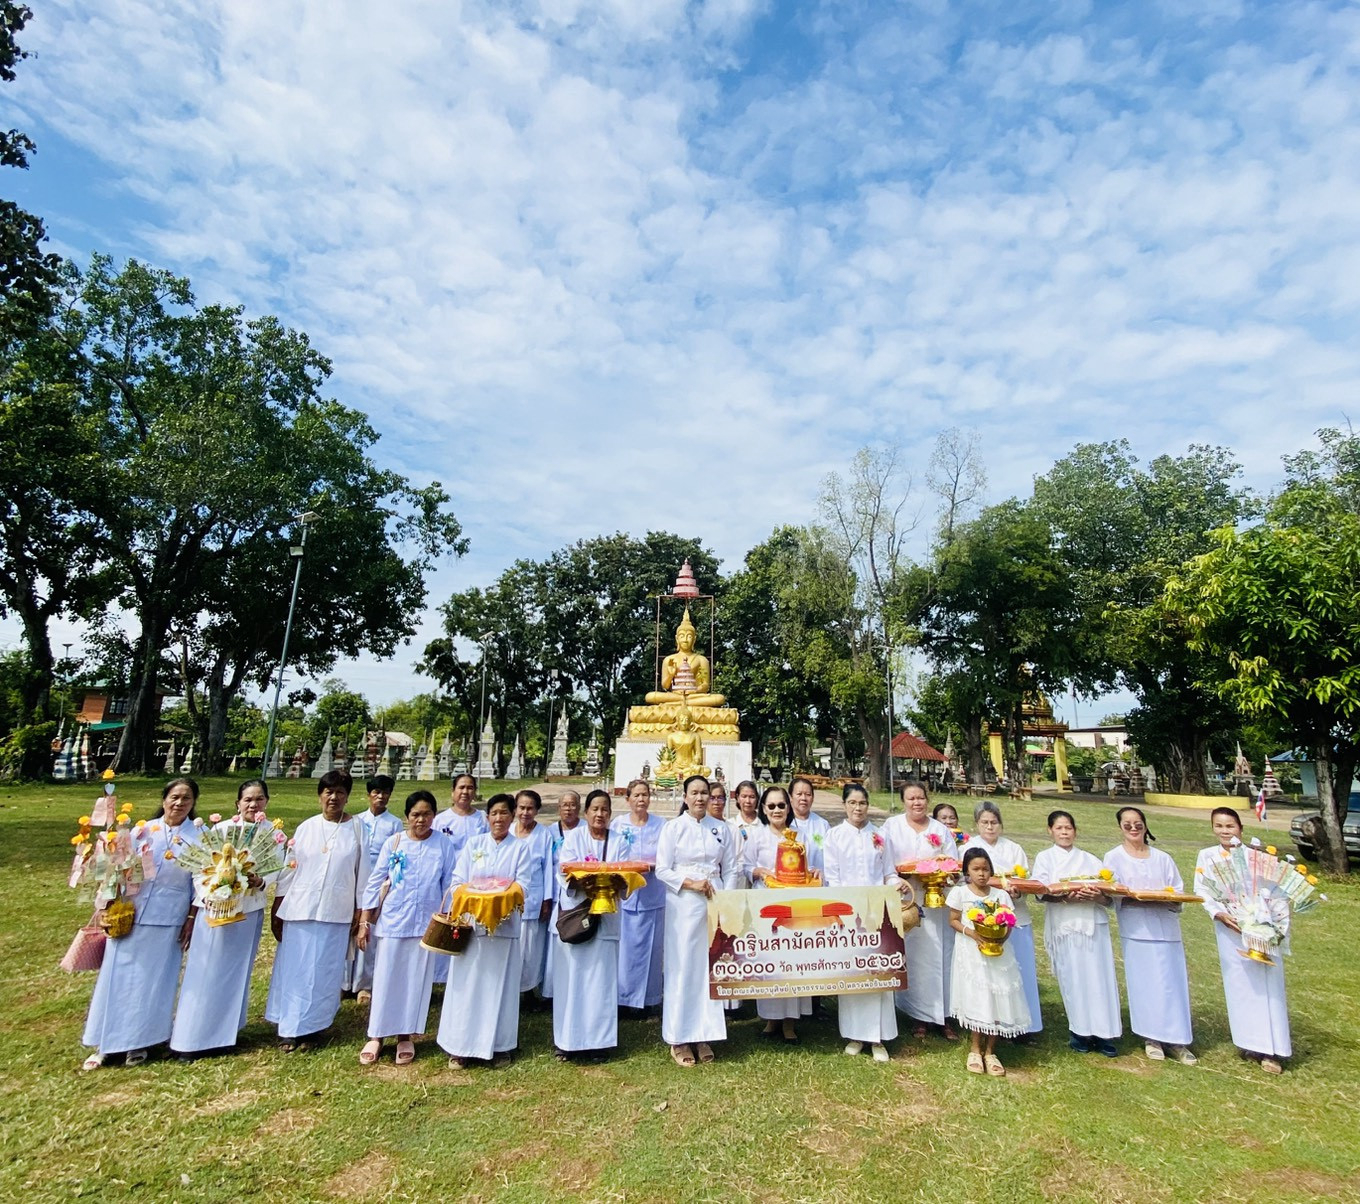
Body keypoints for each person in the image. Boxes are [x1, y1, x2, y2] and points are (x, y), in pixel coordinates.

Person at [82, 778, 199, 1071]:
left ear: (193, 803)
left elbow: (201, 883)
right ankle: (105, 1044)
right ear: (164, 799)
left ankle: (140, 1042)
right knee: (116, 979)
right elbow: (114, 871)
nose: (179, 803)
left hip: (168, 918)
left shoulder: (199, 836)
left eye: (186, 798)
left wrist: (190, 918)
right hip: (130, 915)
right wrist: (108, 905)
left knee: (154, 982)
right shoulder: (142, 831)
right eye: (174, 797)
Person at [170, 779, 278, 1059]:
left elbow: (277, 870)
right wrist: (209, 893)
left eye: (259, 800)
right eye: (248, 800)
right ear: (237, 804)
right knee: (204, 972)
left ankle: (224, 1035)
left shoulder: (272, 835)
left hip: (247, 913)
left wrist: (260, 880)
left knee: (235, 973)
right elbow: (199, 868)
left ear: (266, 802)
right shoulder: (220, 831)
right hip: (215, 912)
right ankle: (190, 1037)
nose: (253, 805)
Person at [266, 770, 370, 1052]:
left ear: (347, 796)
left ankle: (313, 1028)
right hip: (300, 908)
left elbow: (363, 875)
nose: (333, 797)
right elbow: (289, 871)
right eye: (328, 792)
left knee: (323, 971)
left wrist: (361, 913)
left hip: (336, 911)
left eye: (339, 792)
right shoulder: (306, 828)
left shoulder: (358, 829)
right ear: (320, 795)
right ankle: (289, 1028)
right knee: (295, 968)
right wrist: (278, 905)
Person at [357, 790, 457, 1066]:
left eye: (426, 814)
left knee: (415, 982)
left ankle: (405, 1035)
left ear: (434, 816)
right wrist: (365, 921)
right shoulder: (395, 842)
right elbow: (376, 881)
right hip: (393, 921)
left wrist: (446, 918)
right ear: (407, 817)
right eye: (415, 815)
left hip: (425, 924)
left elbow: (449, 884)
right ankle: (376, 1035)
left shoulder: (443, 845)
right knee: (386, 978)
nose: (421, 820)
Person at [436, 793, 534, 1069]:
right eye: (494, 813)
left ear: (512, 816)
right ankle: (460, 1046)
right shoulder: (474, 844)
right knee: (467, 987)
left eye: (504, 813)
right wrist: (474, 896)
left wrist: (499, 897)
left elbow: (524, 885)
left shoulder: (520, 849)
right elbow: (457, 882)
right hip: (472, 927)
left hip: (503, 928)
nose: (499, 819)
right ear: (487, 817)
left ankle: (500, 1046)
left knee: (499, 988)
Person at [1196, 807, 1291, 1074]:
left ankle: (1273, 1050)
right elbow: (1202, 889)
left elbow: (1276, 890)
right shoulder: (1207, 856)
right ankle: (1249, 1042)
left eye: (1230, 826)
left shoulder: (1257, 857)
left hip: (1261, 930)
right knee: (1240, 985)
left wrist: (1267, 921)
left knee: (1267, 987)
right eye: (1219, 826)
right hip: (1230, 930)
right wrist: (1219, 914)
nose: (1225, 831)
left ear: (1241, 828)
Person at [656, 775, 741, 1067]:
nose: (700, 798)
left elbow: (730, 867)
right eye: (694, 793)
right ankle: (679, 1036)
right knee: (683, 969)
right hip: (683, 904)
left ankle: (704, 1033)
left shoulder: (721, 829)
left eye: (705, 793)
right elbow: (662, 870)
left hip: (713, 903)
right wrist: (690, 883)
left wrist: (724, 898)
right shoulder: (673, 828)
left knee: (709, 968)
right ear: (685, 796)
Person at [1104, 806, 1197, 1065]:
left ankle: (1178, 1040)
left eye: (1138, 823)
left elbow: (1177, 891)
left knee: (1172, 984)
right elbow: (1111, 891)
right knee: (1143, 984)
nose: (1133, 828)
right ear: (1120, 827)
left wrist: (1164, 898)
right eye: (1127, 824)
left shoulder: (1163, 858)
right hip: (1136, 930)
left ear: (1145, 825)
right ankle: (1151, 1037)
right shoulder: (1113, 857)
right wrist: (1133, 897)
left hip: (1166, 929)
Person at [1032, 810, 1121, 1057]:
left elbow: (1109, 897)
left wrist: (1097, 896)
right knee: (1073, 979)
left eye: (1068, 828)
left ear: (1075, 831)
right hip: (1065, 926)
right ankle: (1080, 1031)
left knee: (1099, 979)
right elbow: (1040, 892)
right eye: (1059, 828)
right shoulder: (1045, 858)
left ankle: (1105, 1034)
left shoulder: (1091, 860)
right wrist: (1063, 896)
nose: (1064, 833)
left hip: (1093, 925)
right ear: (1050, 830)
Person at [823, 783, 899, 1062]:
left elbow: (888, 872)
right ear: (844, 805)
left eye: (862, 803)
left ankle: (878, 1038)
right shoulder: (834, 836)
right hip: (847, 915)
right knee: (853, 972)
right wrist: (845, 908)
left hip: (877, 912)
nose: (858, 808)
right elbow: (832, 878)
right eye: (853, 803)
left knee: (878, 970)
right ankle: (855, 1035)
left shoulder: (879, 836)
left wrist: (896, 884)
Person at [880, 782, 958, 1040]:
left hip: (937, 902)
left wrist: (945, 876)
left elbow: (953, 863)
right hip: (907, 900)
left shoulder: (939, 829)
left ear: (928, 799)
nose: (917, 803)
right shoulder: (892, 826)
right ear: (903, 801)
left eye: (921, 798)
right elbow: (884, 863)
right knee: (915, 958)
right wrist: (896, 880)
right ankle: (918, 1016)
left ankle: (944, 1015)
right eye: (911, 798)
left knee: (941, 956)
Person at [946, 848, 1032, 1076]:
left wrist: (1000, 939)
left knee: (999, 994)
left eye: (985, 869)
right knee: (978, 995)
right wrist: (972, 934)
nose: (981, 874)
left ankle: (991, 1050)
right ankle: (975, 1048)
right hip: (971, 951)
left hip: (999, 953)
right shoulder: (960, 893)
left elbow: (1008, 922)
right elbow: (953, 920)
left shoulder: (1000, 895)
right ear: (967, 871)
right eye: (976, 869)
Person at [552, 789, 622, 1060]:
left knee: (601, 983)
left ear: (610, 814)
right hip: (578, 916)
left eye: (605, 810)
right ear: (586, 813)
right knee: (572, 981)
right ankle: (567, 1042)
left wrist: (610, 882)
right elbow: (564, 872)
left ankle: (599, 1043)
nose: (600, 814)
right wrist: (586, 882)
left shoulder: (618, 841)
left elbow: (625, 876)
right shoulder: (573, 839)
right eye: (595, 809)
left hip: (607, 918)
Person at [962, 802, 1042, 1038]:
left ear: (1001, 824)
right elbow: (963, 881)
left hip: (1013, 917)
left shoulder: (1014, 848)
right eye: (984, 822)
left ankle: (1024, 1025)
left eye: (994, 822)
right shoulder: (969, 847)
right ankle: (989, 1023)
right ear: (976, 824)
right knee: (989, 976)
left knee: (1019, 971)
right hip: (980, 920)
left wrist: (1017, 892)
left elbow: (1024, 880)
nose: (990, 827)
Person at [742, 785, 810, 1042]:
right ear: (763, 809)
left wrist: (812, 871)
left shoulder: (799, 836)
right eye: (771, 806)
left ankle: (790, 1021)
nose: (777, 810)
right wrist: (760, 872)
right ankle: (771, 1019)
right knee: (770, 961)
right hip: (767, 903)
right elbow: (746, 866)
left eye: (781, 805)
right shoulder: (756, 836)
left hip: (794, 904)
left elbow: (810, 866)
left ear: (789, 807)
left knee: (792, 961)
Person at [610, 779, 666, 1015]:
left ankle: (650, 998)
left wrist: (653, 866)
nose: (641, 799)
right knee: (626, 949)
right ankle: (624, 998)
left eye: (645, 795)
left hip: (653, 892)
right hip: (627, 894)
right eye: (636, 795)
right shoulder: (618, 825)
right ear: (628, 799)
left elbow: (666, 856)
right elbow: (612, 856)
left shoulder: (661, 825)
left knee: (653, 948)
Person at [346, 774, 402, 1004]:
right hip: (355, 878)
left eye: (385, 792)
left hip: (379, 882)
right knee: (349, 927)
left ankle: (364, 984)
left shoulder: (394, 823)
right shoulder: (357, 820)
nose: (380, 796)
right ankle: (343, 982)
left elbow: (395, 857)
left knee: (368, 932)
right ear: (368, 795)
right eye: (376, 792)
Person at [431, 773, 488, 987]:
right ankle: (442, 979)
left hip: (475, 884)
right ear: (453, 792)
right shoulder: (441, 820)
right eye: (461, 787)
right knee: (447, 928)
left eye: (470, 788)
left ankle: (469, 978)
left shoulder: (481, 819)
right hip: (449, 883)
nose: (465, 792)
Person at [511, 789, 555, 999]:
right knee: (513, 945)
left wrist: (547, 899)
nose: (525, 812)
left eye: (530, 808)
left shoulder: (543, 834)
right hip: (509, 897)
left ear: (537, 810)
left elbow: (548, 868)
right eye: (521, 808)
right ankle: (510, 987)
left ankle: (528, 990)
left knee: (531, 947)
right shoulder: (508, 830)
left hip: (534, 898)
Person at [540, 790, 582, 1002]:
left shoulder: (586, 830)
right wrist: (547, 897)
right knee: (555, 944)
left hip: (580, 896)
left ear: (579, 807)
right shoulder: (550, 832)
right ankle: (551, 990)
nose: (568, 808)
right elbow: (547, 867)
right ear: (558, 808)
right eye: (564, 804)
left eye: (573, 804)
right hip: (556, 895)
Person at [788, 776, 830, 880]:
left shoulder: (822, 824)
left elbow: (832, 855)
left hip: (818, 881)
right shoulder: (784, 823)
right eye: (799, 794)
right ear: (790, 797)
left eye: (808, 794)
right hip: (791, 881)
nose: (803, 798)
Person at [726, 780, 761, 865]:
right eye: (744, 796)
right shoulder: (730, 825)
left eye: (752, 797)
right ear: (737, 798)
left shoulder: (765, 823)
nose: (748, 801)